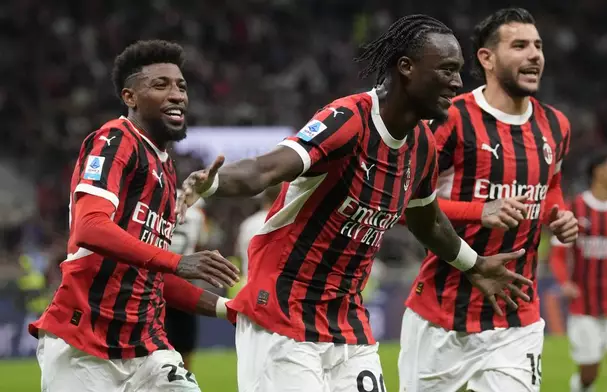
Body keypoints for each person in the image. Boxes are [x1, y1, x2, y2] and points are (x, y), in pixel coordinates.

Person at [178, 15, 532, 392]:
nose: (458, 82)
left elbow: (427, 221)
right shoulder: (349, 119)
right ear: (407, 68)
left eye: (459, 71)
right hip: (283, 314)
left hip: (347, 322)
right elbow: (267, 168)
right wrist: (212, 183)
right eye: (447, 69)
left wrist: (473, 265)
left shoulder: (422, 145)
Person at [28, 40, 239, 392]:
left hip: (148, 348)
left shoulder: (168, 170)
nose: (177, 95)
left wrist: (231, 309)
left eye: (181, 86)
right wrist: (176, 261)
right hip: (85, 346)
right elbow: (90, 227)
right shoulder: (115, 140)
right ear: (130, 97)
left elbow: (152, 276)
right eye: (161, 85)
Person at [397, 8, 579, 392]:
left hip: (517, 317)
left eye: (538, 46)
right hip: (441, 314)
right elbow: (400, 206)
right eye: (520, 45)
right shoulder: (449, 120)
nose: (535, 55)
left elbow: (552, 186)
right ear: (487, 58)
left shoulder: (555, 125)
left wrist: (558, 214)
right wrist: (479, 211)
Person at [550, 151, 607, 392]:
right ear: (598, 171)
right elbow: (558, 255)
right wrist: (564, 282)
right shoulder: (574, 208)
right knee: (589, 374)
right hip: (584, 304)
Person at [165, 197, 208, 372]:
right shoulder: (197, 215)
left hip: (156, 277)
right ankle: (182, 379)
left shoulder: (161, 206)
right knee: (185, 345)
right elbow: (202, 241)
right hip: (185, 280)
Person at [236, 184, 282, 277]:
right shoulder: (281, 223)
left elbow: (239, 253)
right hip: (271, 286)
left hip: (248, 283)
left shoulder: (248, 223)